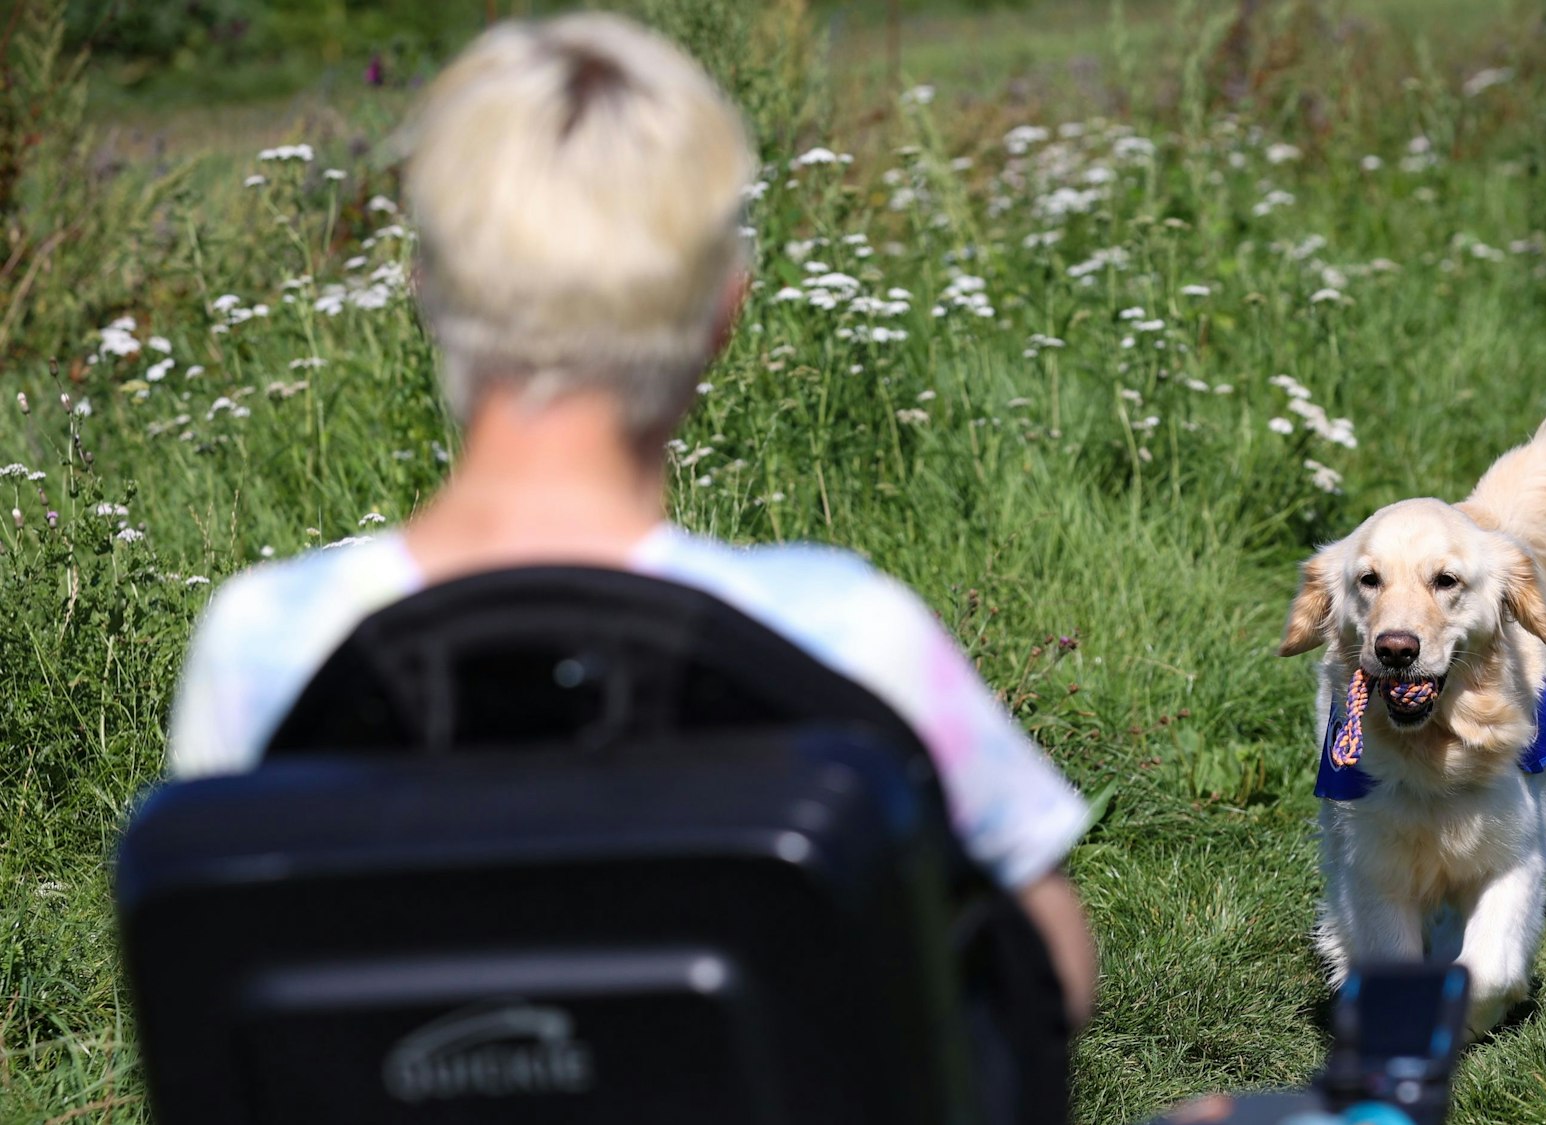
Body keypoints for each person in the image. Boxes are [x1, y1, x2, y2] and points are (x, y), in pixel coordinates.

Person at [166, 11, 1097, 1031]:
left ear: (423, 289)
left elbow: (224, 968)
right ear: (725, 309)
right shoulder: (847, 631)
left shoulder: (259, 642)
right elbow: (1046, 963)